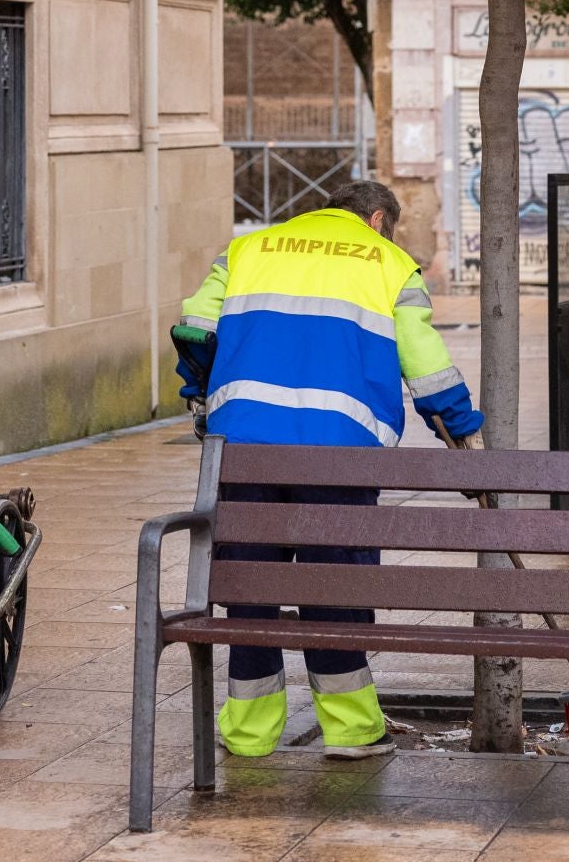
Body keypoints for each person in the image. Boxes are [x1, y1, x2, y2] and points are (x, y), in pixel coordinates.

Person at [178, 180, 482, 760]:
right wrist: (461, 429)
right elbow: (426, 362)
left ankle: (249, 734)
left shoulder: (249, 248)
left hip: (246, 445)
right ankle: (351, 731)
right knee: (336, 585)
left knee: (249, 586)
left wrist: (199, 394)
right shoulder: (389, 263)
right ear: (377, 219)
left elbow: (195, 326)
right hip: (338, 450)